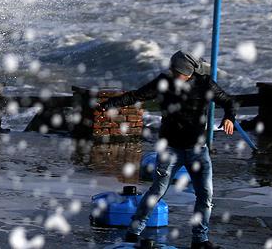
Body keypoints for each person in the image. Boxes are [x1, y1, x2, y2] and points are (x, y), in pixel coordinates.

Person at [98, 51, 237, 249]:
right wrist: (110, 104)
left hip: (198, 150)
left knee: (205, 196)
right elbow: (136, 95)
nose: (171, 73)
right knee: (157, 190)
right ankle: (134, 231)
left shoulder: (205, 84)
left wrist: (229, 117)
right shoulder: (164, 82)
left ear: (187, 72)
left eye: (176, 71)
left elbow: (229, 101)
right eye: (171, 69)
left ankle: (200, 240)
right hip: (170, 148)